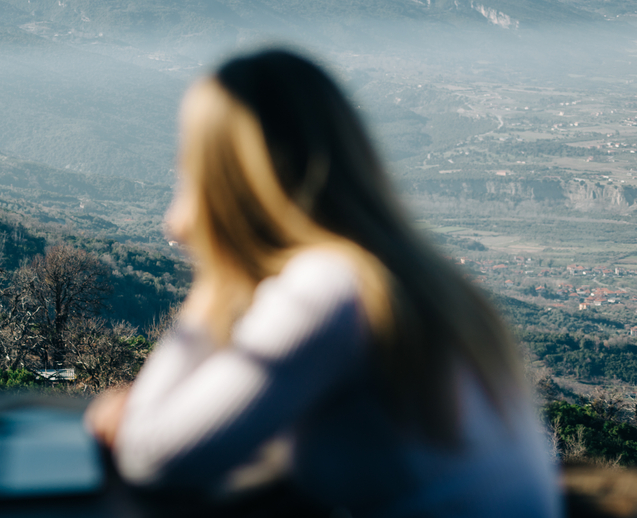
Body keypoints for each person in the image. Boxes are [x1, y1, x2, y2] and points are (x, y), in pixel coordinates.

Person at [86, 50, 561, 516]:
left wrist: (212, 277)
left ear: (223, 183)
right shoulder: (404, 275)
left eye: (187, 165)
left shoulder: (330, 292)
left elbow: (151, 457)